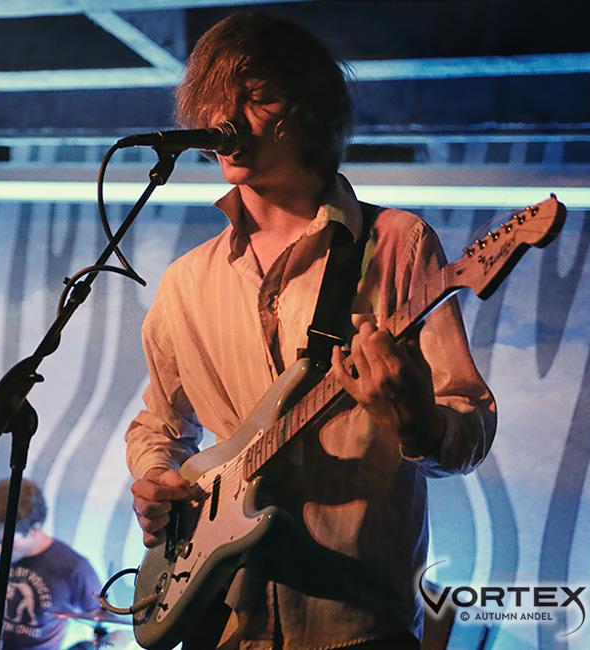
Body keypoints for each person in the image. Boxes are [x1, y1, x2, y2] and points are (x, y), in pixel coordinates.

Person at [125, 13, 496, 650]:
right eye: (214, 98)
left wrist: (419, 423)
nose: (226, 118)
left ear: (309, 111)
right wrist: (157, 478)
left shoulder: (396, 243)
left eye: (257, 96)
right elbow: (159, 424)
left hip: (356, 627)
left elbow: (470, 419)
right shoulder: (186, 281)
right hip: (222, 622)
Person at [0, 478, 103, 650]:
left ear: (34, 530)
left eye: (5, 542)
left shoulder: (74, 568)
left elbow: (112, 629)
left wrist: (94, 646)